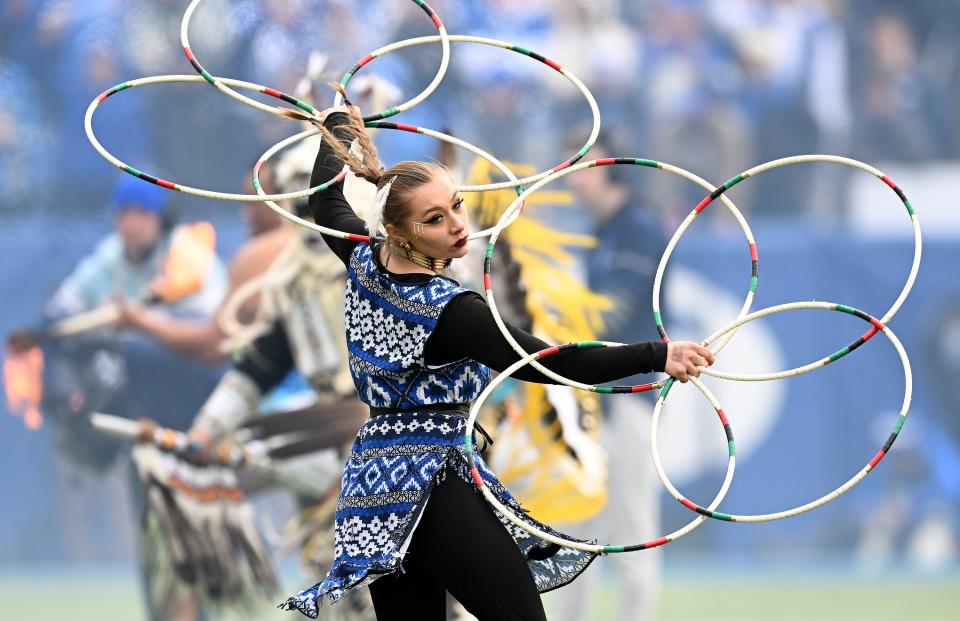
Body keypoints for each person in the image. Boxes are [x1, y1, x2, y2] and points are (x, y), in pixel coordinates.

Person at [279, 99, 714, 621]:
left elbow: (327, 203)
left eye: (457, 207)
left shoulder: (365, 264)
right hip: (432, 484)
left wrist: (340, 126)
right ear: (401, 233)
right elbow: (550, 362)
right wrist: (657, 354)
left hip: (373, 490)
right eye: (435, 220)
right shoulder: (452, 311)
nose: (458, 226)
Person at [546, 133, 669, 621]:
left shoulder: (637, 226)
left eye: (580, 164)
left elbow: (613, 315)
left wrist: (549, 327)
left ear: (606, 165)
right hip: (595, 402)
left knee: (634, 529)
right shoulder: (601, 231)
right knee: (578, 528)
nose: (572, 176)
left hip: (631, 397)